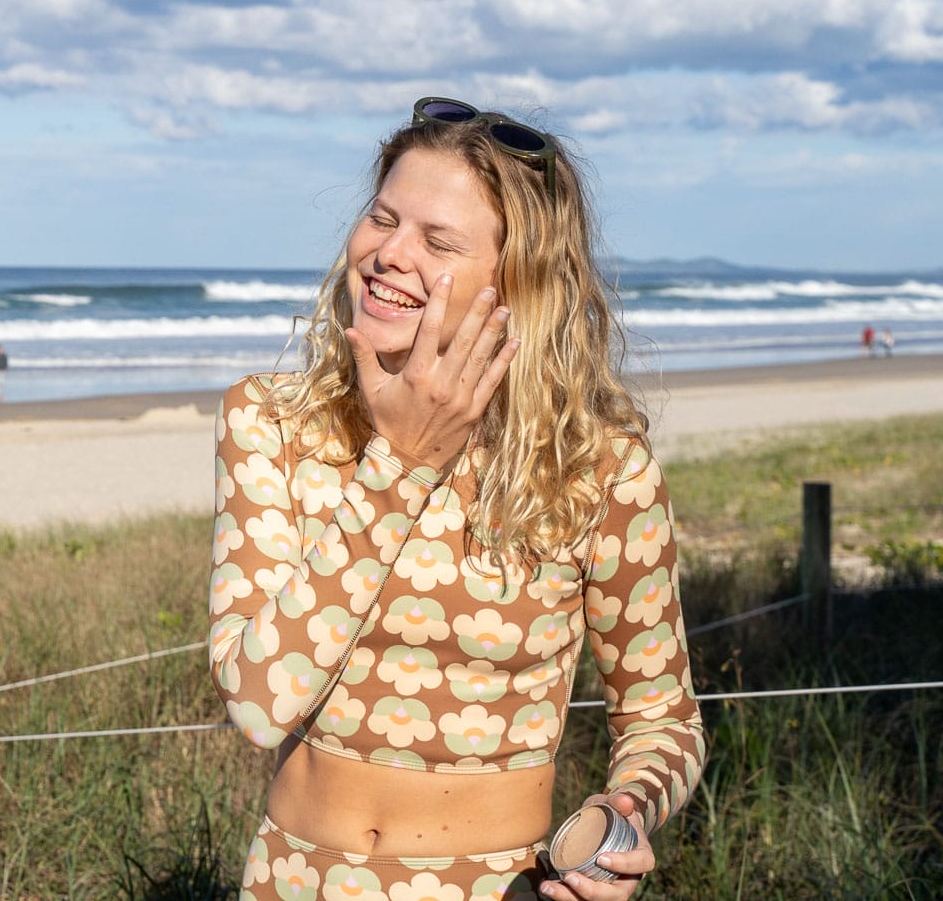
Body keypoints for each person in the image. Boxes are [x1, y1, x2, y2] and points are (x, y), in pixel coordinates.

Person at [209, 98, 705, 900]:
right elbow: (259, 705)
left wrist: (626, 812)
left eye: (438, 242)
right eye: (382, 219)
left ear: (518, 284)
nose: (388, 254)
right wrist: (402, 463)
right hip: (293, 879)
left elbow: (661, 718)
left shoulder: (599, 465)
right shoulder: (273, 421)